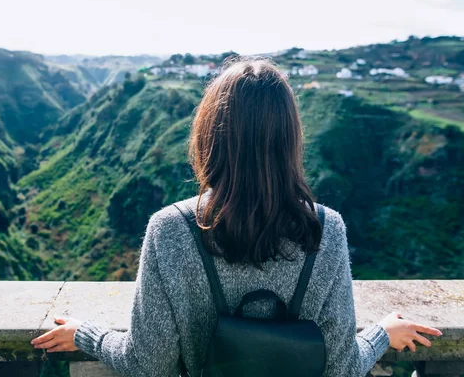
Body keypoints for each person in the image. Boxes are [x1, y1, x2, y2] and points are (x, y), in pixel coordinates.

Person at [31, 58, 442, 376]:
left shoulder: (170, 230)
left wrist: (86, 333)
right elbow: (339, 367)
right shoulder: (325, 228)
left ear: (211, 134)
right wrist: (381, 334)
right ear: (290, 139)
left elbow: (148, 365)